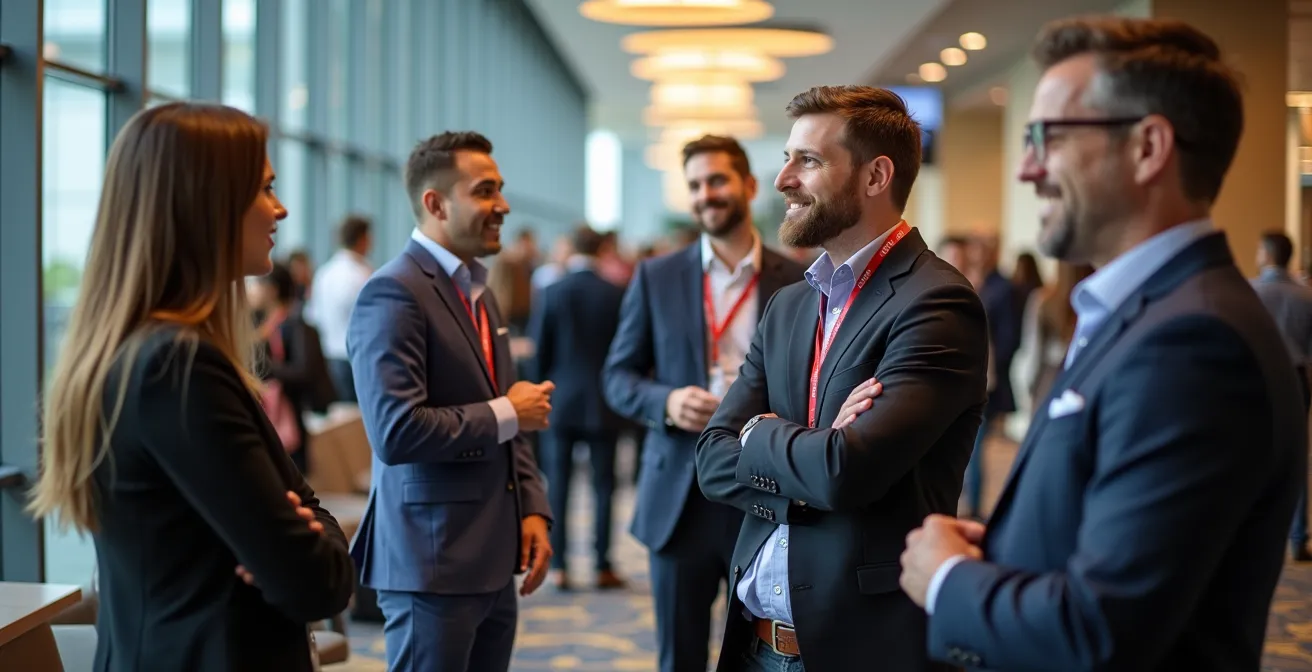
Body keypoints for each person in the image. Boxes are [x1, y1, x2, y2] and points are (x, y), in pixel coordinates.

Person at [898, 17, 1307, 672]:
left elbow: (1101, 632)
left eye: (1047, 138)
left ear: (1148, 147)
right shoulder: (1143, 313)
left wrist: (947, 579)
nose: (1027, 168)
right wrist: (996, 551)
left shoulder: (1193, 342)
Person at [29, 102, 355, 671]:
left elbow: (308, 523)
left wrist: (304, 534)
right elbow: (315, 583)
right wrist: (307, 542)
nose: (279, 209)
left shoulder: (141, 354)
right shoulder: (177, 369)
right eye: (264, 188)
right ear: (204, 204)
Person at [695, 86, 989, 672]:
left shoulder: (936, 303)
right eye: (787, 157)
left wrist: (757, 435)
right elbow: (709, 460)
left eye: (808, 160)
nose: (782, 180)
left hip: (856, 644)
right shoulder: (789, 306)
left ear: (876, 175)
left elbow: (846, 471)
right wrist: (813, 446)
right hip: (752, 643)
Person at [346, 131, 554, 672]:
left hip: (492, 551)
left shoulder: (477, 290)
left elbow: (512, 419)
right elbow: (396, 433)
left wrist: (531, 507)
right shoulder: (394, 291)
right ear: (436, 204)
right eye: (486, 191)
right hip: (430, 562)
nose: (502, 206)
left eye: (500, 190)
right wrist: (510, 412)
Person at [603, 134, 805, 672]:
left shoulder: (798, 279)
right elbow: (617, 377)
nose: (705, 195)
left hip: (763, 491)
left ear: (748, 185)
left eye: (717, 180)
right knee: (680, 657)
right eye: (694, 185)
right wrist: (665, 401)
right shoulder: (656, 275)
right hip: (678, 498)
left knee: (759, 653)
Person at [528, 226, 627, 590]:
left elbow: (540, 352)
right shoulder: (615, 293)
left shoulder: (553, 291)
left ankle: (560, 567)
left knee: (559, 484)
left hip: (562, 400)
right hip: (605, 400)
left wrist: (541, 395)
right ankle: (602, 564)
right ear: (601, 248)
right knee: (604, 485)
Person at [1252, 230, 1312, 561]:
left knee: (1250, 455)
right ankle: (1298, 536)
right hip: (1297, 379)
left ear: (1267, 254)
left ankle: (1253, 533)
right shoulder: (1306, 296)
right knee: (1295, 456)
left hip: (1255, 378)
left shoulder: (1247, 292)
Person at [305, 215, 373, 403]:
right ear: (363, 239)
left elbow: (313, 315)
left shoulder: (324, 273)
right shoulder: (362, 275)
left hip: (329, 357)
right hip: (356, 359)